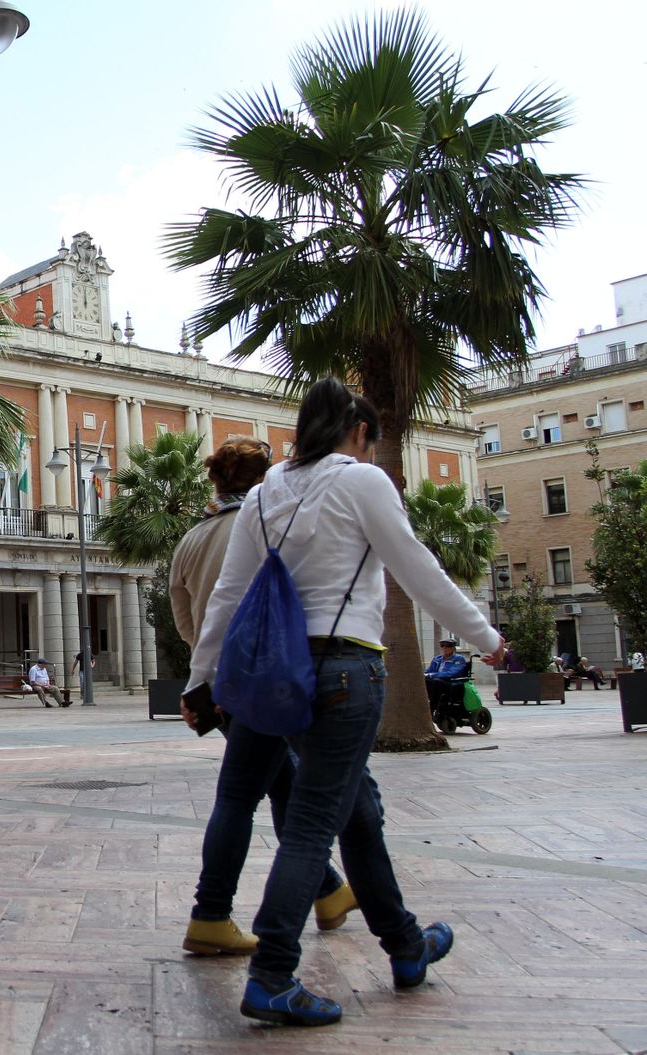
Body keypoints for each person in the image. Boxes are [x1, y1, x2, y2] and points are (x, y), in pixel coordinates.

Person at [189, 379, 505, 1028]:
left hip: (271, 674)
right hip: (344, 670)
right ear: (358, 430)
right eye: (370, 438)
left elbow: (226, 594)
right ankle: (273, 973)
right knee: (311, 826)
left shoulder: (263, 492)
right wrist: (485, 637)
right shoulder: (362, 482)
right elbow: (414, 568)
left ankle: (407, 947)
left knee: (355, 814)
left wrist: (201, 676)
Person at [169, 436, 357, 957]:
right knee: (250, 794)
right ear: (265, 476)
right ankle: (212, 913)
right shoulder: (269, 523)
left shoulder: (191, 539)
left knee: (278, 785)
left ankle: (328, 892)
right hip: (271, 678)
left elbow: (186, 619)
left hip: (223, 682)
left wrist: (208, 672)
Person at [423, 639, 470, 710]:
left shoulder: (459, 659)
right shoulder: (437, 659)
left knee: (436, 681)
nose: (445, 648)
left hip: (451, 683)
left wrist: (432, 675)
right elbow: (429, 671)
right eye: (442, 646)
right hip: (437, 682)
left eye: (448, 646)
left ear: (453, 648)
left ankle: (432, 707)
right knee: (424, 680)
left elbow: (451, 673)